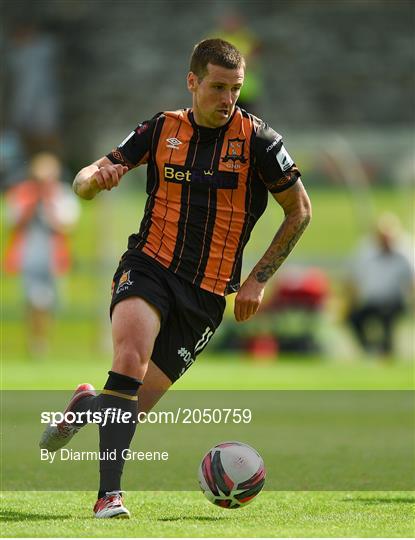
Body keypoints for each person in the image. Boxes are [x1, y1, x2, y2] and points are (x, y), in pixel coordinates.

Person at [40, 39, 311, 518]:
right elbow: (92, 175)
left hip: (206, 296)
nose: (228, 99)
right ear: (193, 82)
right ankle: (109, 496)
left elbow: (300, 212)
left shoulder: (261, 143)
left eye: (236, 89)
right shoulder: (161, 128)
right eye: (218, 87)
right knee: (129, 359)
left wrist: (257, 280)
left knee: (128, 408)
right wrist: (88, 182)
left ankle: (86, 406)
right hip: (149, 265)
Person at [4, 152, 79, 357]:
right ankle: (36, 343)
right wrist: (32, 205)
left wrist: (47, 207)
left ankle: (42, 338)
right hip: (30, 256)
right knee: (35, 300)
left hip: (54, 258)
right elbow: (13, 222)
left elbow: (67, 225)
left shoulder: (62, 194)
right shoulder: (22, 194)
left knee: (55, 303)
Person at [346, 213, 413, 357]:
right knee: (353, 318)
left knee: (387, 318)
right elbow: (353, 278)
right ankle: (369, 349)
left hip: (395, 301)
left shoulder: (405, 252)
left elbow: (411, 281)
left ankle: (387, 352)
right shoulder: (365, 249)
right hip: (371, 301)